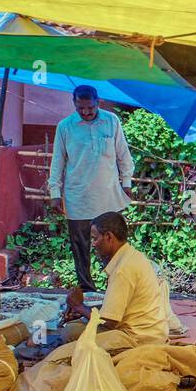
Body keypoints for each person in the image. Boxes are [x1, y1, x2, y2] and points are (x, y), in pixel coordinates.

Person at [48, 85, 134, 292]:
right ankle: (87, 291)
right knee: (80, 247)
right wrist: (55, 193)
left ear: (98, 102)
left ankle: (117, 287)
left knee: (113, 244)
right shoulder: (65, 126)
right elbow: (58, 161)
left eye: (90, 108)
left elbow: (123, 154)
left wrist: (127, 183)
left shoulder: (112, 121)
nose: (86, 112)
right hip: (78, 196)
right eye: (81, 108)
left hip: (107, 196)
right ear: (74, 104)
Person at [62, 210, 167, 346]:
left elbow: (109, 323)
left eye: (95, 238)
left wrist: (78, 306)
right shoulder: (131, 255)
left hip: (139, 338)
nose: (93, 244)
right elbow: (114, 309)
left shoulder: (122, 270)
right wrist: (82, 310)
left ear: (109, 237)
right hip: (153, 331)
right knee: (77, 322)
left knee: (70, 332)